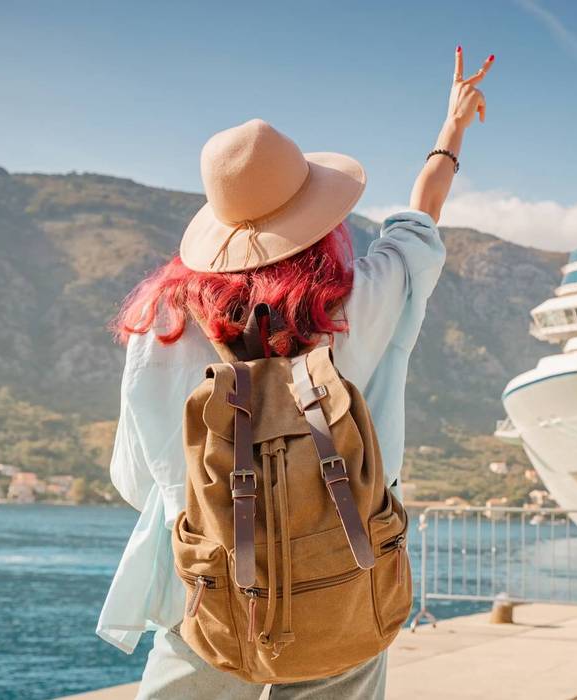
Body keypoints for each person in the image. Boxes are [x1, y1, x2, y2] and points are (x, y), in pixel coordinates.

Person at [95, 47, 495, 699]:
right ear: (316, 212)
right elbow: (419, 220)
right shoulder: (363, 297)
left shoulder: (163, 318)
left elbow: (137, 475)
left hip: (202, 582)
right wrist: (450, 129)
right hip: (341, 568)